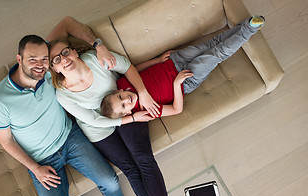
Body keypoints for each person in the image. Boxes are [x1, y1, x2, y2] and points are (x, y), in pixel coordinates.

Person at [0, 17, 138, 196]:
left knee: (111, 181)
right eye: (32, 59)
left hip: (70, 137)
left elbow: (67, 23)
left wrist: (99, 45)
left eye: (43, 59)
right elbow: (6, 141)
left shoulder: (50, 69)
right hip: (41, 159)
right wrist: (35, 168)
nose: (39, 65)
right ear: (19, 59)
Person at [48, 27, 198, 196]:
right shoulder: (62, 94)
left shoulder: (95, 58)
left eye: (65, 52)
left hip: (124, 107)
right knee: (131, 169)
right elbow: (93, 120)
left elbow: (127, 66)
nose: (63, 59)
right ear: (53, 69)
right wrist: (134, 119)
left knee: (144, 159)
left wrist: (142, 95)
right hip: (101, 129)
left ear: (74, 51)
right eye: (55, 60)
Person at [100, 16, 265, 119]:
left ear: (118, 91)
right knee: (216, 54)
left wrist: (158, 60)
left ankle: (244, 25)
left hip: (173, 61)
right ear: (127, 113)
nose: (126, 100)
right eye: (124, 106)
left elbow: (136, 68)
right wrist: (176, 85)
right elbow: (176, 109)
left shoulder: (122, 83)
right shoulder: (145, 111)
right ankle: (249, 29)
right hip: (186, 79)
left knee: (211, 43)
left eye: (120, 97)